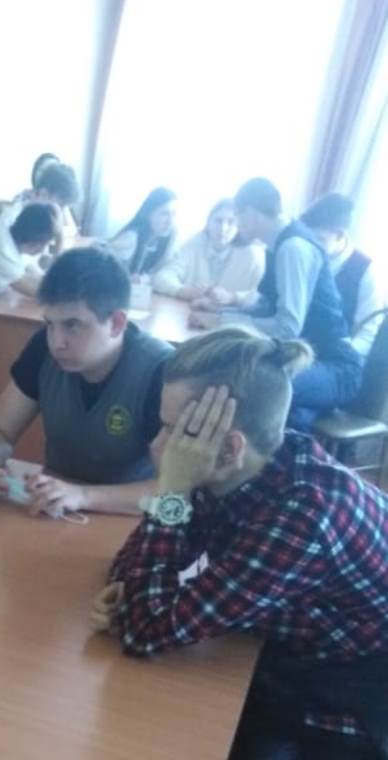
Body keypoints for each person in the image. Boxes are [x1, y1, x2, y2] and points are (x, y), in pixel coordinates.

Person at [94, 327, 388, 758]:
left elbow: (143, 632)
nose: (156, 445)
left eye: (173, 431)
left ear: (230, 448)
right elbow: (135, 564)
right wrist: (126, 590)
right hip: (287, 645)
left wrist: (172, 490)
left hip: (349, 692)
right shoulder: (246, 465)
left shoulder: (301, 517)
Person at [0, 248, 172, 516]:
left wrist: (83, 496)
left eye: (72, 325)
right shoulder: (43, 347)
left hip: (127, 518)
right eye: (50, 324)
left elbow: (177, 493)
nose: (56, 342)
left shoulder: (160, 371)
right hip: (53, 510)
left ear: (116, 323)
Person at [191, 178, 362, 429]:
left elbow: (287, 328)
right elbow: (266, 307)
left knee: (258, 386)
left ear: (250, 212)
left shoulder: (293, 247)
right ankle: (297, 439)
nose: (236, 223)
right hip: (306, 360)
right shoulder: (277, 243)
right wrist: (221, 311)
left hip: (335, 367)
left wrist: (220, 321)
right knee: (289, 413)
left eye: (238, 215)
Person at [301, 192, 385, 358]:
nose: (312, 245)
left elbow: (367, 335)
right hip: (299, 347)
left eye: (320, 239)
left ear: (340, 235)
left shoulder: (365, 270)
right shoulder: (305, 255)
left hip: (336, 357)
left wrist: (339, 357)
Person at [152, 199, 264, 304]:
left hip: (229, 316)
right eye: (218, 221)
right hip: (190, 312)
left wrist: (232, 297)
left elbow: (261, 297)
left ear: (239, 226)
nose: (223, 228)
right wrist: (183, 291)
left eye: (230, 222)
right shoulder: (195, 244)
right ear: (208, 223)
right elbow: (161, 278)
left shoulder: (253, 255)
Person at [10, 159, 82, 246]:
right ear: (44, 194)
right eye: (61, 205)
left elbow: (71, 232)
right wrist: (59, 234)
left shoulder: (40, 208)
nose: (62, 211)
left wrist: (59, 232)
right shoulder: (20, 215)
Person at [109, 187, 178, 277]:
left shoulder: (166, 237)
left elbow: (160, 273)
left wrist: (172, 241)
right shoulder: (131, 238)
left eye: (174, 214)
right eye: (165, 214)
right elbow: (107, 272)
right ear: (149, 214)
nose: (170, 221)